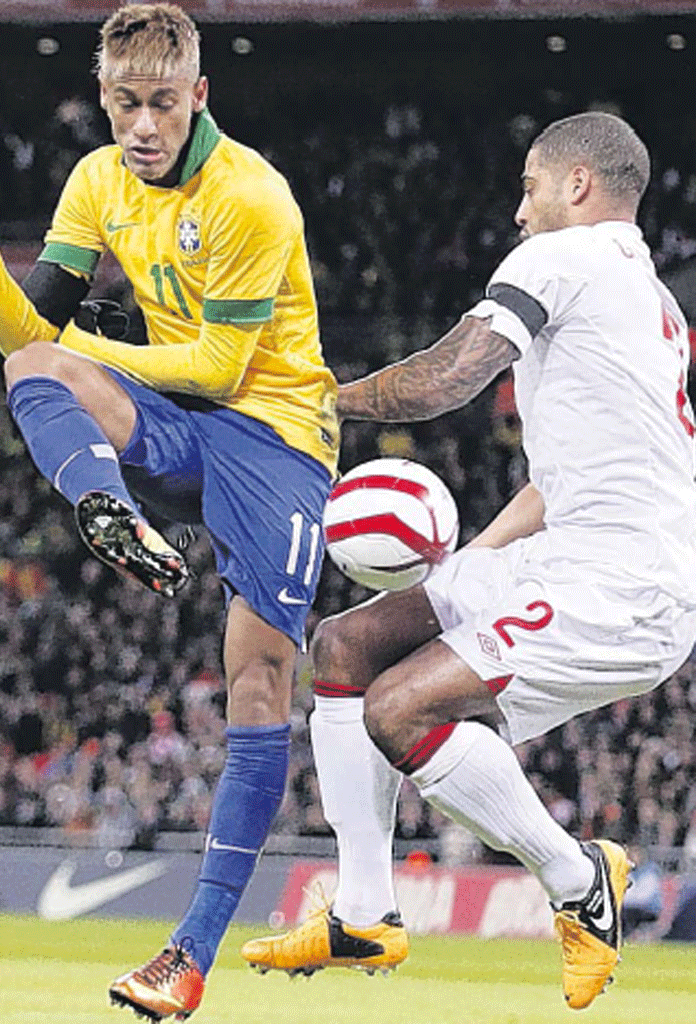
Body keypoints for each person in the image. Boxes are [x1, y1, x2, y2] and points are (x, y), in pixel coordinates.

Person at [0, 4, 338, 1021]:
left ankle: (187, 955)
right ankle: (106, 509)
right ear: (102, 95)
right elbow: (31, 334)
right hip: (179, 431)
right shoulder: (97, 179)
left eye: (161, 102)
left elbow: (219, 366)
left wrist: (95, 349)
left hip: (278, 438)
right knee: (32, 362)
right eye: (124, 102)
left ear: (198, 95)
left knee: (257, 683)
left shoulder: (251, 195)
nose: (141, 125)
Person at [240, 111, 696, 1011]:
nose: (518, 212)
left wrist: (319, 403)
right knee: (345, 646)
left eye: (528, 187)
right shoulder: (650, 302)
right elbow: (564, 479)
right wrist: (465, 574)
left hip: (621, 586)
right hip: (575, 555)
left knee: (398, 709)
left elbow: (450, 377)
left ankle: (577, 881)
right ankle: (363, 910)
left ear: (576, 185)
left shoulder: (561, 258)